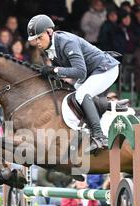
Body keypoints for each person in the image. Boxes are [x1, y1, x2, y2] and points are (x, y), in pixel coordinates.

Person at [27, 14, 120, 153]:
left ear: (49, 31)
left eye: (40, 37)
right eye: (35, 39)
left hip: (106, 69)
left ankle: (100, 137)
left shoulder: (66, 42)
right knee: (71, 94)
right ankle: (103, 111)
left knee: (81, 95)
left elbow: (80, 72)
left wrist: (55, 70)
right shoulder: (49, 48)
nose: (38, 42)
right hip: (91, 72)